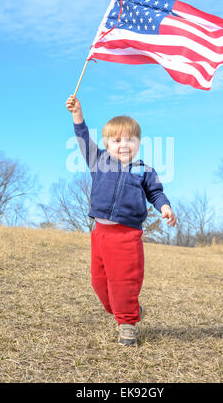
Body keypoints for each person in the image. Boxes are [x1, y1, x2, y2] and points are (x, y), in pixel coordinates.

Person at [66, 94, 176, 346]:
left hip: (127, 235)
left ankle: (127, 323)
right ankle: (129, 310)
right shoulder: (98, 161)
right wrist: (77, 114)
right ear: (107, 144)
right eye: (117, 140)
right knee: (99, 281)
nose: (124, 144)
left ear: (138, 142)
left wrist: (165, 207)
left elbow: (156, 193)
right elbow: (82, 137)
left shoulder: (144, 170)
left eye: (130, 139)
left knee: (123, 282)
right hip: (100, 233)